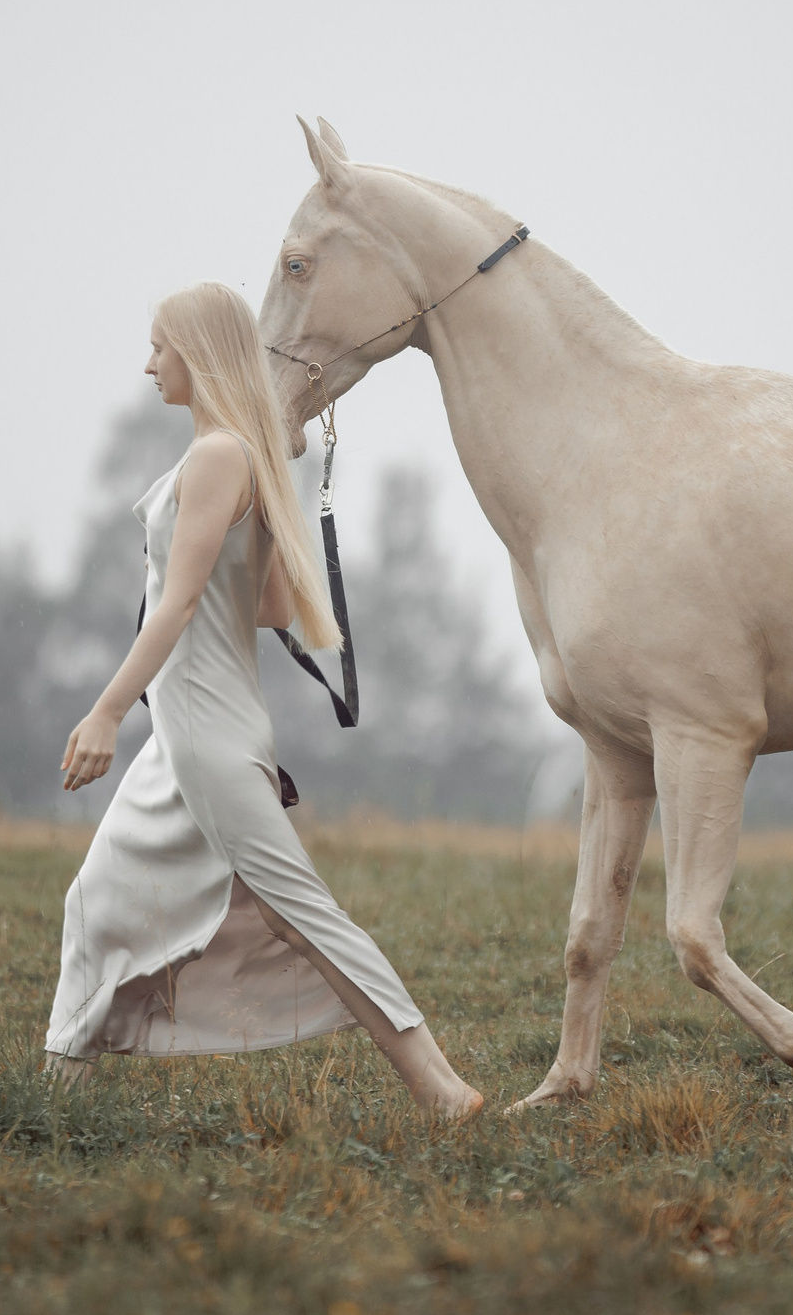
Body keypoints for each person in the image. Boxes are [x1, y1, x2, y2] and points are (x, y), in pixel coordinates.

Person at [42, 282, 482, 1118]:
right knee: (96, 901)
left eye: (159, 347)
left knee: (305, 914)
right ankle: (52, 1102)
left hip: (206, 735)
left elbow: (176, 605)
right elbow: (271, 608)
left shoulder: (219, 458)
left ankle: (441, 1087)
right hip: (185, 737)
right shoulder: (231, 454)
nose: (148, 364)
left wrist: (104, 711)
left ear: (197, 355)